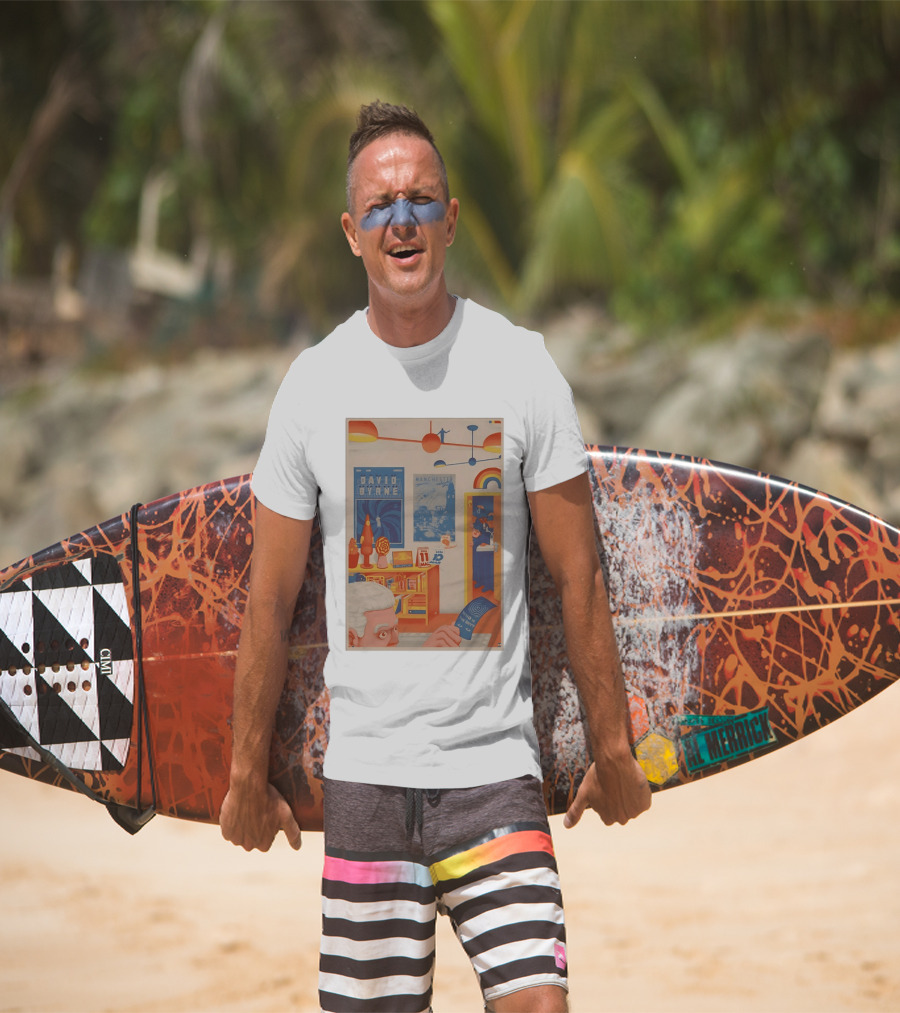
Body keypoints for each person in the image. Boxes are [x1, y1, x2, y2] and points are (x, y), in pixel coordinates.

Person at [220, 100, 651, 1013]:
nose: (402, 220)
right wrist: (242, 773)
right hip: (368, 781)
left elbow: (579, 575)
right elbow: (269, 600)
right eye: (380, 206)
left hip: (495, 774)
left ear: (451, 219)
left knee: (540, 1003)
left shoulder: (521, 367)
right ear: (351, 232)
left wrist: (612, 746)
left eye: (421, 200)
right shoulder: (314, 386)